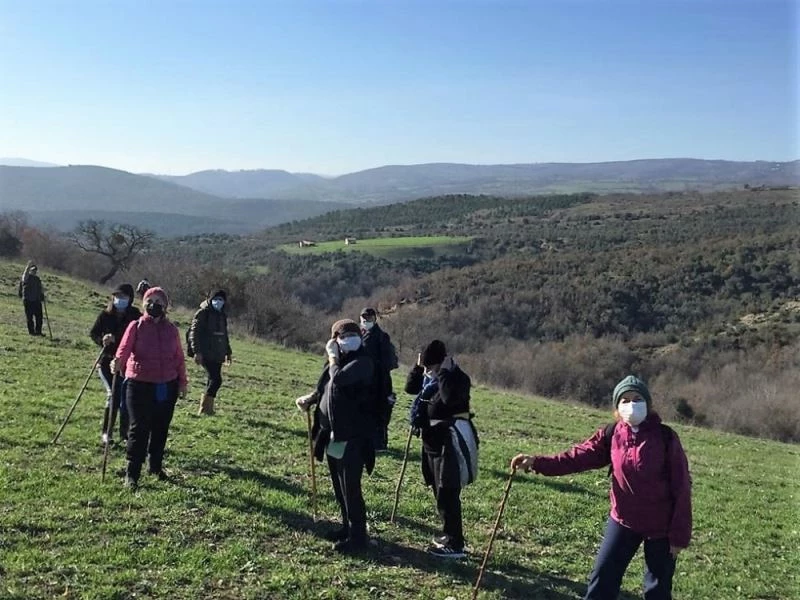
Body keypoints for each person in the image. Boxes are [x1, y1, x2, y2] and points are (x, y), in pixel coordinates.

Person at [511, 375, 692, 600]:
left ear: (648, 404)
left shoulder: (666, 438)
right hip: (623, 521)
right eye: (624, 400)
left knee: (657, 591)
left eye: (637, 399)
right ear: (617, 408)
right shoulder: (612, 434)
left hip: (661, 528)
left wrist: (678, 536)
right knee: (602, 581)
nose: (631, 405)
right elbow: (575, 458)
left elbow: (682, 487)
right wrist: (538, 462)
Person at [295, 319, 375, 554]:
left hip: (353, 436)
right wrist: (311, 399)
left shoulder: (363, 362)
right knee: (339, 485)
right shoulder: (339, 362)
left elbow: (339, 379)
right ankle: (346, 527)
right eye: (342, 336)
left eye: (352, 335)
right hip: (332, 434)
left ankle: (359, 537)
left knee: (351, 487)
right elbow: (327, 387)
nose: (348, 340)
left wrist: (332, 358)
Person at [405, 340, 478, 559]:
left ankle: (456, 543)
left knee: (448, 490)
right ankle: (448, 535)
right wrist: (418, 369)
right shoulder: (429, 382)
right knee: (438, 489)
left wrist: (444, 373)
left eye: (431, 368)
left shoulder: (458, 378)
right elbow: (410, 388)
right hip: (432, 441)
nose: (429, 372)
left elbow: (448, 399)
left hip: (451, 440)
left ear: (442, 363)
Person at [112, 287, 187, 490]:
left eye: (159, 302)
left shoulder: (171, 330)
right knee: (139, 429)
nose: (154, 305)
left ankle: (155, 467)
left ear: (165, 306)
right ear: (143, 303)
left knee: (161, 428)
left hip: (166, 385)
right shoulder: (135, 326)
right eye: (150, 300)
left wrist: (182, 382)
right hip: (139, 384)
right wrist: (118, 362)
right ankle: (132, 473)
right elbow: (124, 348)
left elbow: (178, 357)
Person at [89, 283, 141, 444]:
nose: (119, 300)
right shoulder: (105, 315)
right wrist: (102, 340)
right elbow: (94, 333)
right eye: (117, 296)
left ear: (130, 299)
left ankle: (124, 434)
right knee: (113, 394)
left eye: (123, 297)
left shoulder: (135, 316)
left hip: (127, 363)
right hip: (107, 361)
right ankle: (107, 433)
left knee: (126, 397)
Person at [188, 289, 232, 416]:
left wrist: (228, 351)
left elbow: (224, 336)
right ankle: (204, 408)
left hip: (217, 353)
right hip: (205, 352)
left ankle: (207, 409)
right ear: (210, 299)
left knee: (212, 379)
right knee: (216, 380)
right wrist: (197, 352)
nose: (218, 302)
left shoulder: (222, 315)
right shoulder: (203, 313)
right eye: (216, 299)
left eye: (221, 300)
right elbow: (194, 333)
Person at [359, 307, 396, 452]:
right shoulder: (360, 333)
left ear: (374, 319)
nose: (365, 321)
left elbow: (386, 361)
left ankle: (379, 443)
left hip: (379, 380)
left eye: (368, 318)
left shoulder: (381, 337)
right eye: (363, 318)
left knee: (380, 411)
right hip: (364, 379)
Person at [18, 262, 45, 335]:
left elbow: (41, 288)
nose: (34, 271)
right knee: (30, 318)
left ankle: (38, 332)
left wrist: (42, 295)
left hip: (36, 300)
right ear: (30, 270)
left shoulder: (37, 279)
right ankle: (32, 332)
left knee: (39, 317)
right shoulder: (26, 278)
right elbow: (25, 275)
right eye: (33, 270)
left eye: (35, 270)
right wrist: (27, 267)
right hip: (28, 300)